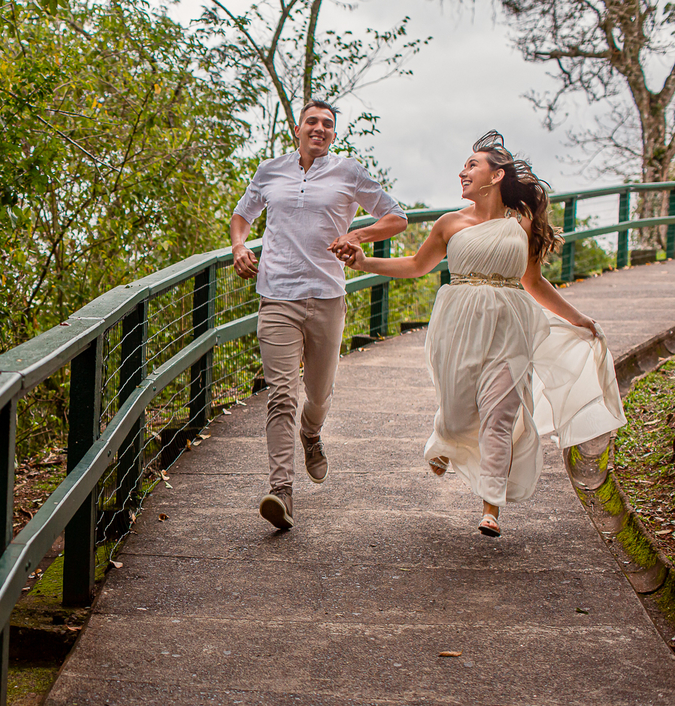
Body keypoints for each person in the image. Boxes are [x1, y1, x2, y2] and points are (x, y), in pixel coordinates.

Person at [332, 130, 625, 536]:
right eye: (464, 165)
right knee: (456, 416)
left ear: (497, 175)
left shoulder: (522, 222)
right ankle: (444, 438)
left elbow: (535, 283)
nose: (462, 172)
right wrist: (364, 263)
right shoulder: (449, 223)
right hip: (459, 322)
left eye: (472, 165)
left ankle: (491, 507)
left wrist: (579, 319)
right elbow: (417, 266)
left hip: (511, 324)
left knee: (501, 415)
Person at [231, 100, 408, 530]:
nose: (320, 128)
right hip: (277, 296)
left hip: (327, 297)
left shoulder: (348, 172)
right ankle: (282, 491)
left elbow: (396, 216)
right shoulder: (270, 170)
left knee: (318, 394)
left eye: (328, 124)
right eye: (312, 121)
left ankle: (311, 434)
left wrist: (357, 233)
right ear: (297, 128)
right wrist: (240, 245)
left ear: (333, 134)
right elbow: (243, 215)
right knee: (280, 394)